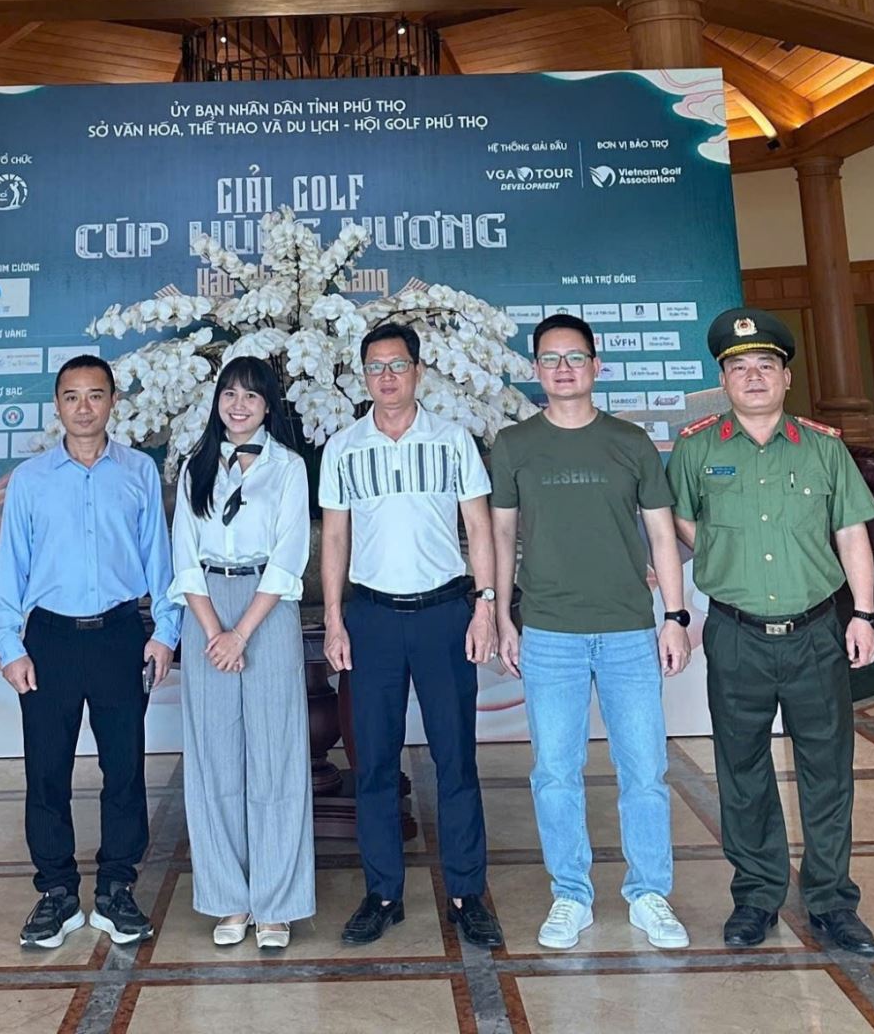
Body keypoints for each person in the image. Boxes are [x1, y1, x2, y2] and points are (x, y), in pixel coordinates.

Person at [666, 308, 874, 956]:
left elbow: (850, 532)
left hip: (816, 633)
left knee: (827, 771)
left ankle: (831, 902)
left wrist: (863, 613)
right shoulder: (696, 448)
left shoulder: (823, 448)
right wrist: (719, 555)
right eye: (739, 367)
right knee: (742, 770)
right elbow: (678, 521)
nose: (753, 376)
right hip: (736, 635)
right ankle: (756, 896)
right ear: (722, 380)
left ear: (786, 377)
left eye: (766, 364)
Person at [491, 314, 692, 951]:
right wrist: (500, 613)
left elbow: (661, 534)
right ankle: (571, 895)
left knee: (645, 770)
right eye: (550, 359)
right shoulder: (513, 444)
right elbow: (501, 533)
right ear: (535, 369)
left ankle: (650, 893)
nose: (563, 369)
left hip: (629, 629)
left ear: (596, 366)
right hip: (550, 631)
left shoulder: (630, 442)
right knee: (554, 771)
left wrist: (675, 617)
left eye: (575, 357)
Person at [321, 322, 503, 949]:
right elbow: (335, 536)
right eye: (375, 367)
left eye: (398, 365)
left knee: (456, 759)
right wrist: (335, 618)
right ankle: (383, 894)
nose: (387, 377)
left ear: (419, 372)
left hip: (444, 614)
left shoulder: (452, 440)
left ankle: (466, 894)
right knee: (373, 762)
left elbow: (479, 527)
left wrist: (485, 606)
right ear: (363, 376)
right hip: (371, 618)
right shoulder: (343, 447)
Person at [0, 354, 181, 950]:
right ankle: (56, 892)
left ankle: (117, 888)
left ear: (112, 403)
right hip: (48, 639)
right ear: (57, 405)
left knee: (124, 767)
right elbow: (10, 566)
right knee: (46, 769)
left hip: (121, 635)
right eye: (71, 396)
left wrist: (165, 632)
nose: (83, 407)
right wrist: (9, 644)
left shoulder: (139, 472)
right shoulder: (30, 480)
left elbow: (160, 559)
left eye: (95, 395)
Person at [170, 356, 314, 950]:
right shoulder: (194, 466)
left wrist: (241, 634)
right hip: (206, 606)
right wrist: (214, 632)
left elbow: (290, 554)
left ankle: (276, 903)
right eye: (229, 394)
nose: (238, 405)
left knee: (276, 755)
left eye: (251, 396)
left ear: (268, 406)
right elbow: (183, 556)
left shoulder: (289, 468)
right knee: (215, 759)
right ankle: (228, 897)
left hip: (267, 607)